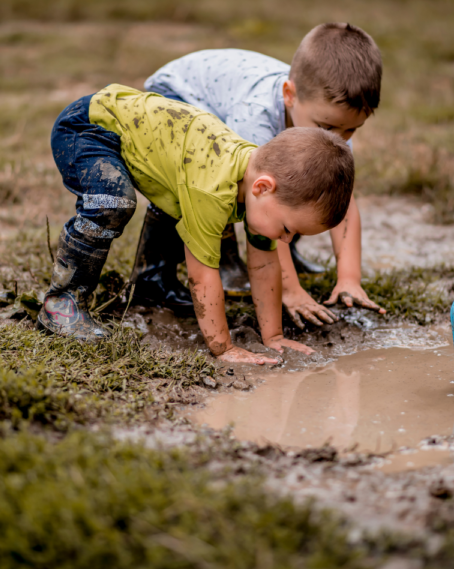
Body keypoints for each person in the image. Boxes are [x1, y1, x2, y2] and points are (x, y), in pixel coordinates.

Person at [41, 84, 354, 364]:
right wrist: (223, 348)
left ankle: (152, 285)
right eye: (288, 229)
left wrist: (273, 338)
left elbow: (263, 265)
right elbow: (202, 276)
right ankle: (61, 303)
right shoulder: (212, 190)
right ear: (262, 187)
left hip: (139, 138)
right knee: (114, 201)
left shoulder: (257, 185)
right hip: (89, 128)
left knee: (178, 202)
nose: (286, 240)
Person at [139, 22, 386, 326]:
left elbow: (341, 199)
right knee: (214, 185)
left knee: (305, 187)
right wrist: (290, 291)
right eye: (327, 128)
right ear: (289, 95)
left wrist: (349, 278)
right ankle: (166, 273)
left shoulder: (328, 121)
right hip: (178, 97)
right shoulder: (255, 116)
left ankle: (285, 256)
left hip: (220, 100)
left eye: (352, 129)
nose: (340, 137)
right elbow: (264, 201)